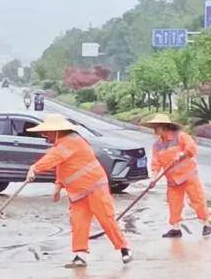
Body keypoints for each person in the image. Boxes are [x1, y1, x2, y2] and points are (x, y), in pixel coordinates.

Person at [25, 114, 133, 268]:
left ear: (57, 131)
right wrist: (58, 186)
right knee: (79, 223)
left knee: (106, 219)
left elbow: (54, 158)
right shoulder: (63, 144)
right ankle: (80, 256)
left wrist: (34, 168)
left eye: (47, 132)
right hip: (78, 193)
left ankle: (124, 249)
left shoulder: (70, 142)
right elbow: (63, 167)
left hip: (95, 187)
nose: (45, 135)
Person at [142, 114, 211, 237]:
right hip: (173, 180)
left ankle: (206, 224)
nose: (154, 129)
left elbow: (192, 148)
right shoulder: (157, 145)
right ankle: (176, 229)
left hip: (188, 175)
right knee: (174, 203)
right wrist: (153, 178)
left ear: (164, 127)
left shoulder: (180, 136)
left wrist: (183, 154)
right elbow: (156, 163)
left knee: (197, 199)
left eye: (156, 127)